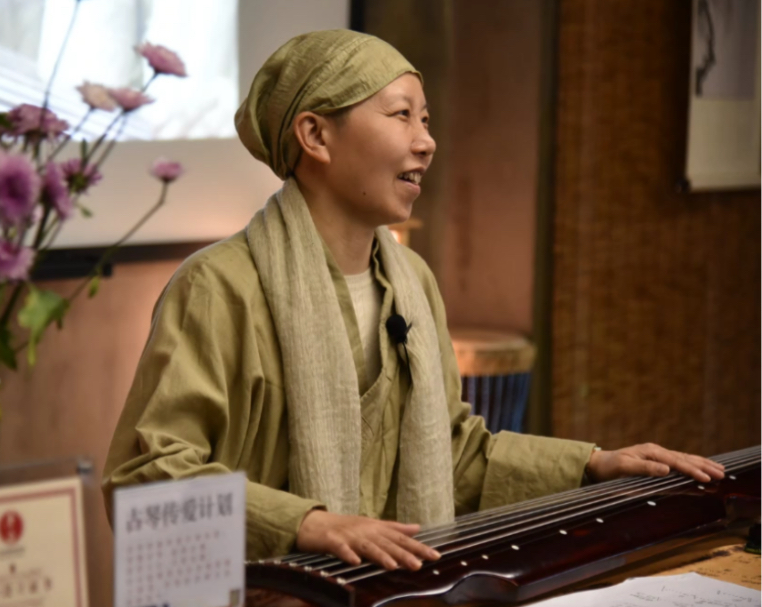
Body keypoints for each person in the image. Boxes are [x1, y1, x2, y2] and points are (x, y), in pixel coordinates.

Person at [101, 30, 725, 571]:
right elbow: (144, 478)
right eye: (401, 115)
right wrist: (309, 525)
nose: (426, 141)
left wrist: (592, 466)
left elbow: (451, 454)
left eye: (426, 120)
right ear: (315, 134)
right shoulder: (218, 287)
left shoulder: (412, 282)